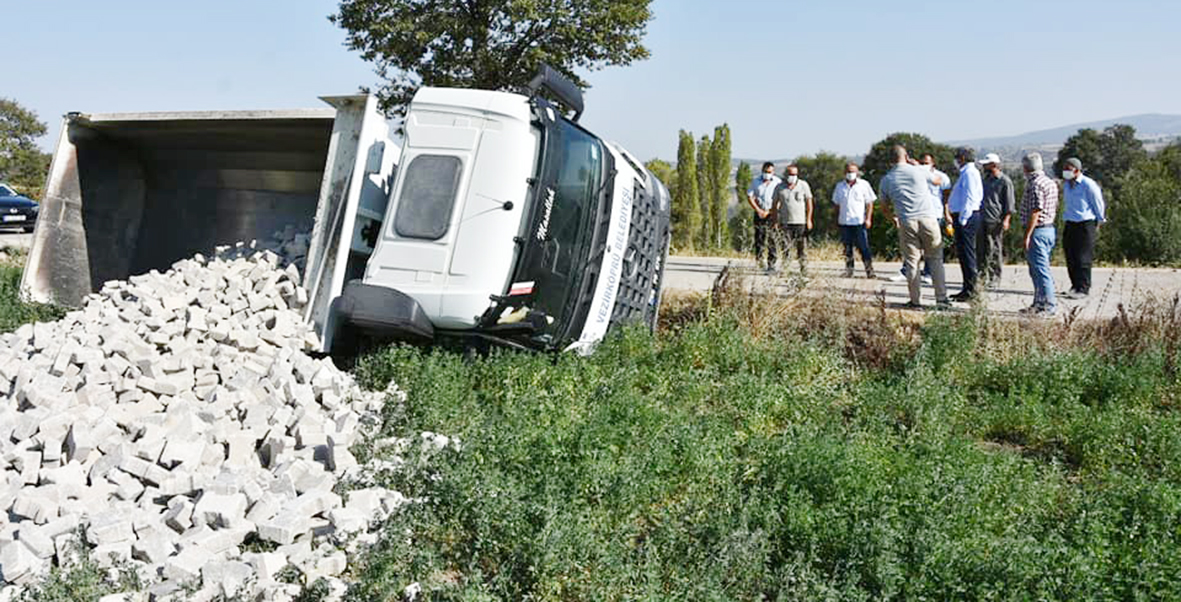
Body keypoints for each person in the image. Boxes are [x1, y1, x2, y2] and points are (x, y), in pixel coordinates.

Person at [878, 145, 949, 309]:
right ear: (907, 156)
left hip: (906, 220)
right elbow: (938, 182)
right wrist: (917, 165)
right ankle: (941, 298)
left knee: (912, 262)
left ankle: (915, 301)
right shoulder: (918, 171)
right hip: (928, 218)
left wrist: (893, 218)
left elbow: (884, 206)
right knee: (936, 259)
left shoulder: (887, 179)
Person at [891, 153, 950, 284]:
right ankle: (906, 271)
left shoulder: (942, 177)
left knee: (932, 247)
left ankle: (928, 273)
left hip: (935, 214)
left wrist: (947, 214)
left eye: (926, 163)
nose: (924, 166)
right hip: (916, 213)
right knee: (911, 246)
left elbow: (946, 196)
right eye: (922, 163)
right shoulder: (913, 174)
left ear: (933, 163)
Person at [1020, 152, 1060, 316]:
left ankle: (1049, 305)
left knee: (1041, 270)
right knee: (1036, 269)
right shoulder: (1049, 182)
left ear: (1025, 167)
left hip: (1038, 230)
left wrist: (1027, 234)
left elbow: (1035, 211)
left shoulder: (1035, 184)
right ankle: (1038, 303)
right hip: (1048, 228)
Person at [1061, 157, 1106, 299]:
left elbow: (1098, 203)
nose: (1066, 172)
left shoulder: (1088, 184)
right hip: (1070, 222)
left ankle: (1083, 288)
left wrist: (1099, 221)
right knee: (1071, 255)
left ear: (1077, 170)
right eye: (1065, 169)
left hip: (1085, 223)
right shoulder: (1067, 185)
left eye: (1069, 169)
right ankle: (1075, 286)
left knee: (1083, 257)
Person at [946, 147, 983, 301]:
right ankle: (967, 287)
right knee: (963, 254)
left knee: (967, 254)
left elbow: (970, 197)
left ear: (961, 158)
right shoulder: (966, 173)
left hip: (966, 217)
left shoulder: (969, 173)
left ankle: (971, 289)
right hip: (963, 216)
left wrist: (963, 219)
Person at [977, 153, 1015, 289]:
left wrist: (1006, 220)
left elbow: (1009, 203)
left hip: (996, 219)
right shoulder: (985, 180)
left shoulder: (1004, 181)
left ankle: (995, 278)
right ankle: (981, 277)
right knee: (981, 249)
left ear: (993, 165)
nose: (983, 167)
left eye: (986, 164)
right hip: (982, 218)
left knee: (994, 249)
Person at [832, 163, 876, 278]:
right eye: (848, 171)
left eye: (853, 171)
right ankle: (849, 270)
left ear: (857, 172)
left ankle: (869, 271)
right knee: (847, 248)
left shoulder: (864, 185)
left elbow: (870, 203)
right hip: (844, 222)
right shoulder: (839, 186)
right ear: (844, 172)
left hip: (859, 222)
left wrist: (868, 218)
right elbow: (836, 204)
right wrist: (835, 219)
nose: (850, 174)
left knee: (864, 248)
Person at [772, 164, 813, 274]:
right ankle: (786, 268)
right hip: (785, 222)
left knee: (802, 247)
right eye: (790, 174)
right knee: (785, 247)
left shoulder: (803, 185)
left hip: (800, 222)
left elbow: (809, 203)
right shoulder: (779, 187)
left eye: (794, 174)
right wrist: (775, 221)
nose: (792, 176)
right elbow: (774, 205)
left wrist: (809, 219)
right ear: (786, 175)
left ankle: (803, 268)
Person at [746, 161, 782, 273]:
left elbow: (781, 198)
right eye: (766, 172)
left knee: (773, 238)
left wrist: (773, 210)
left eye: (770, 172)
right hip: (759, 212)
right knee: (759, 238)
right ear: (762, 171)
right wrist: (758, 210)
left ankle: (772, 263)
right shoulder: (756, 182)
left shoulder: (777, 182)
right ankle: (760, 261)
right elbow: (750, 196)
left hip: (773, 213)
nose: (767, 174)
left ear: (773, 172)